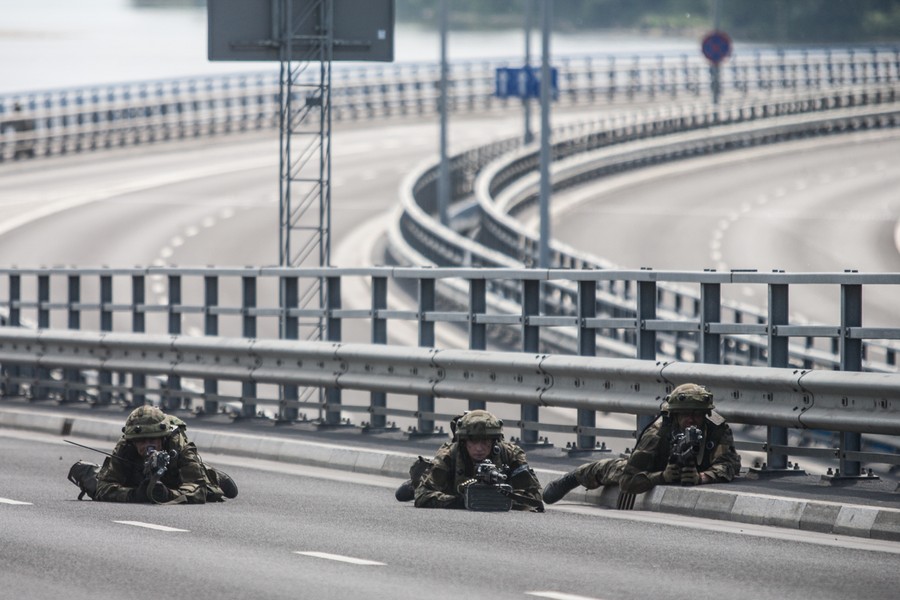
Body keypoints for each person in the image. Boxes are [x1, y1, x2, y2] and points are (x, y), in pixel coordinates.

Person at [542, 383, 741, 504]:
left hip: (699, 468)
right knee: (615, 468)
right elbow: (629, 482)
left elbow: (730, 463)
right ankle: (573, 478)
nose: (692, 419)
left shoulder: (716, 427)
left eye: (697, 414)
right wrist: (662, 476)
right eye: (686, 414)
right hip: (656, 466)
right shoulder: (657, 433)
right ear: (674, 415)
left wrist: (703, 477)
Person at [94, 405, 238, 504]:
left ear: (163, 438)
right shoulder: (125, 448)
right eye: (141, 441)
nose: (148, 446)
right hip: (137, 479)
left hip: (175, 475)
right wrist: (135, 494)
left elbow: (197, 489)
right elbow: (103, 488)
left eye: (152, 440)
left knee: (210, 491)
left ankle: (212, 474)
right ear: (133, 442)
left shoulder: (178, 445)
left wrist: (168, 495)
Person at [412, 410, 544, 511]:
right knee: (405, 492)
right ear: (464, 442)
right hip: (452, 491)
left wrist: (502, 499)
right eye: (473, 441)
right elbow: (422, 495)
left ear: (494, 441)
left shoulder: (510, 454)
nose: (479, 448)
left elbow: (534, 497)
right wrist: (460, 501)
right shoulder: (450, 454)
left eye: (485, 441)